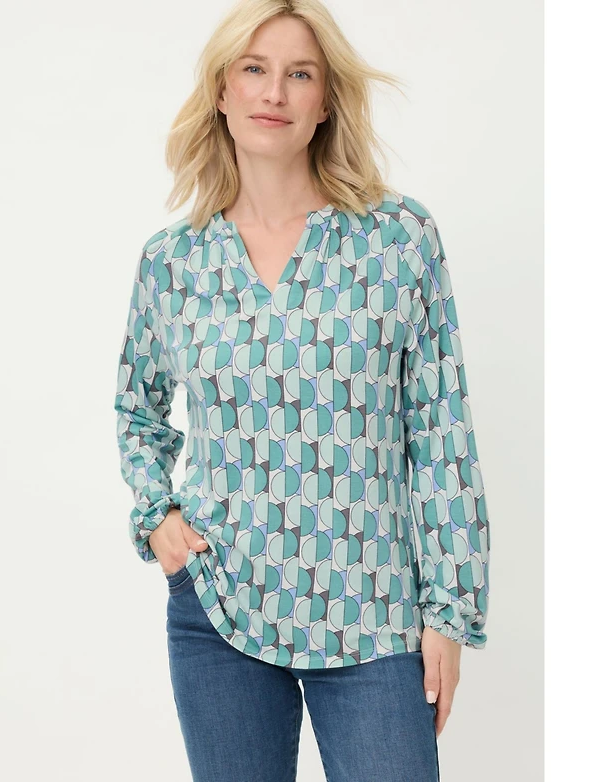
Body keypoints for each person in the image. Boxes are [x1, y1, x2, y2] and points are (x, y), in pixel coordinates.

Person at [114, 1, 490, 780]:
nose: (274, 92)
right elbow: (137, 407)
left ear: (325, 102)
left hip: (374, 613)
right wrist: (158, 515)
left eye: (299, 74)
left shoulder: (398, 240)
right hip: (219, 609)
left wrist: (449, 615)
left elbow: (441, 435)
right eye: (254, 69)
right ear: (222, 91)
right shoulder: (173, 263)